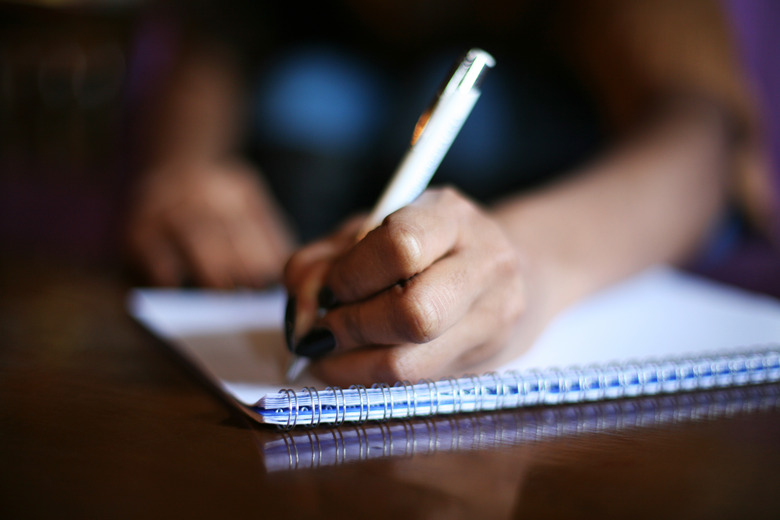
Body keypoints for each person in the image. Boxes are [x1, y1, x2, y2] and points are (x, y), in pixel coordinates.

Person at [124, 0, 772, 386]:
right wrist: (184, 175)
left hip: (577, 222)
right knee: (312, 96)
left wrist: (531, 261)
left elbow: (701, 133)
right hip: (305, 266)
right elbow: (216, 46)